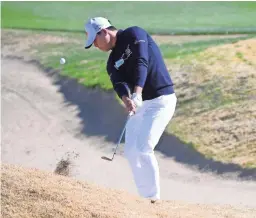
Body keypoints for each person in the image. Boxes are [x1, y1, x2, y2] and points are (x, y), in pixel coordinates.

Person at [84, 17, 177, 203]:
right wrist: (127, 100)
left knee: (144, 146)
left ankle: (153, 199)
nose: (95, 45)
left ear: (104, 31)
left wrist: (137, 93)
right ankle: (145, 197)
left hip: (160, 101)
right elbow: (118, 84)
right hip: (139, 104)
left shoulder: (134, 33)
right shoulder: (111, 63)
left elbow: (143, 61)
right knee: (131, 151)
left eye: (94, 39)